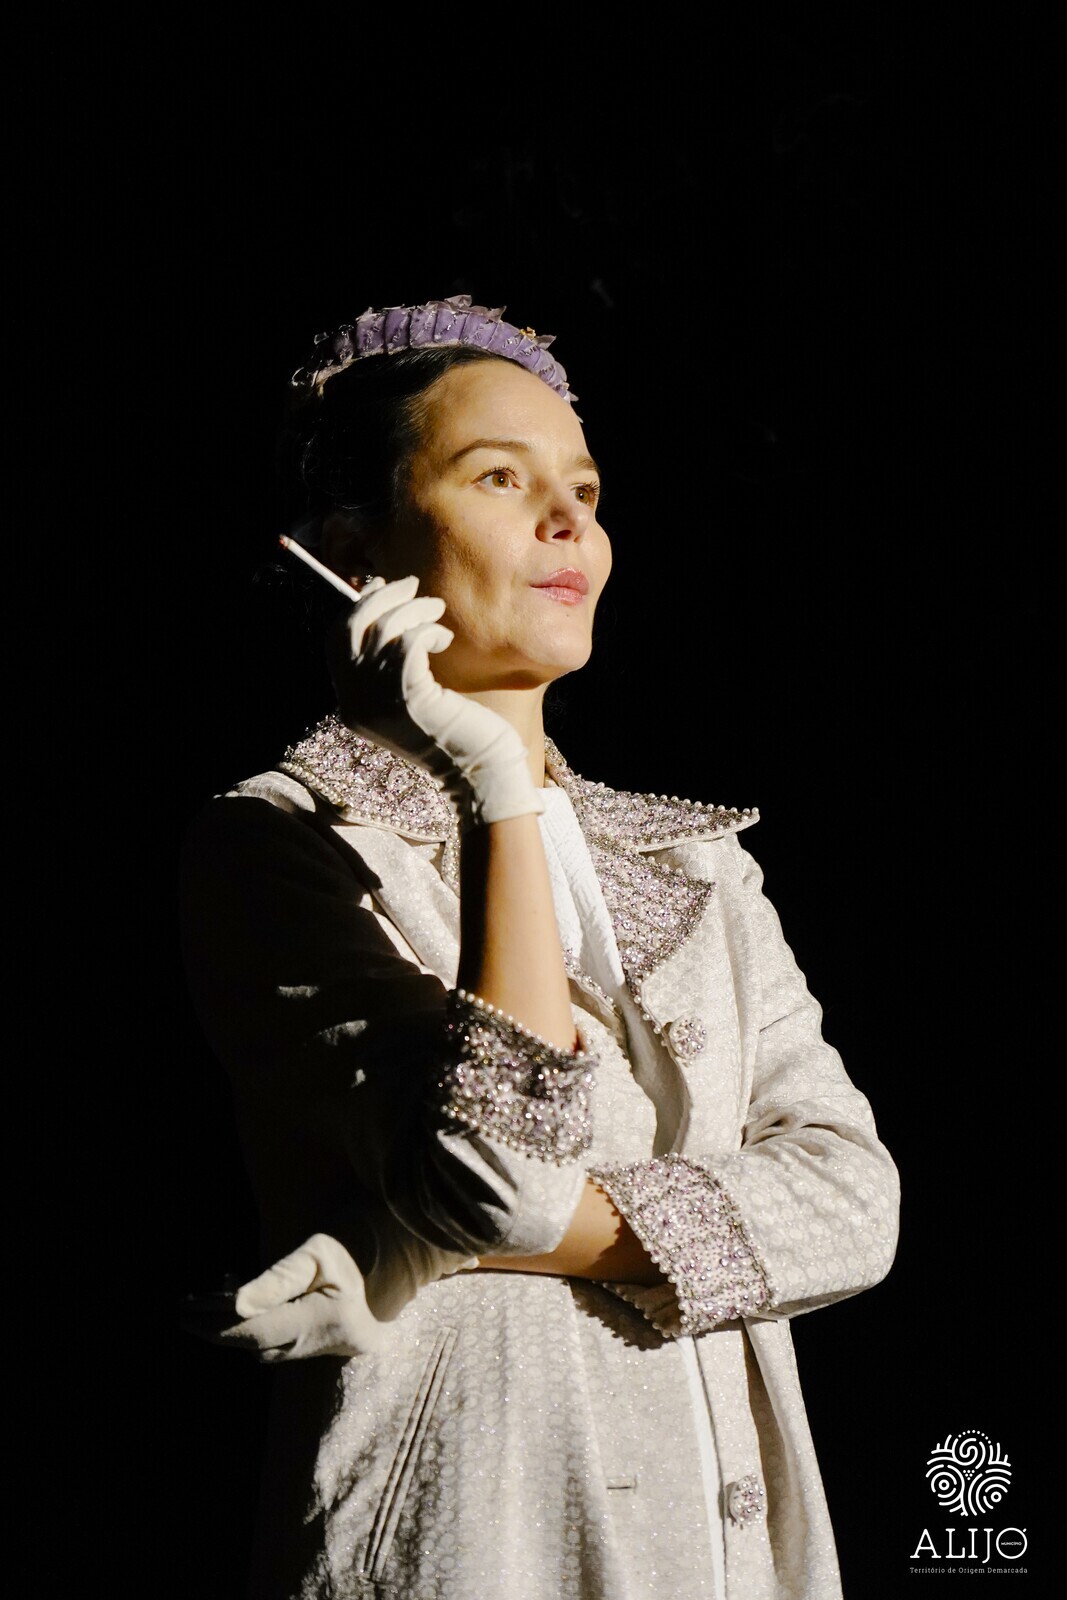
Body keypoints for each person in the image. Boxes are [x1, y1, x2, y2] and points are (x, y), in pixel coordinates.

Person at [180, 295, 900, 1600]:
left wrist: (418, 1245)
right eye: (499, 478)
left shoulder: (699, 863)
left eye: (585, 487)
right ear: (350, 548)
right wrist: (488, 786)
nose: (568, 519)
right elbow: (502, 1178)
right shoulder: (283, 842)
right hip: (480, 1536)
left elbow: (860, 1202)